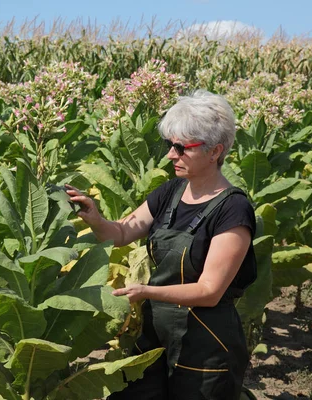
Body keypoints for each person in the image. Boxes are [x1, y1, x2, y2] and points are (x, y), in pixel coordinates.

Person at [66, 90, 257, 400]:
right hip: (156, 337)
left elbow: (209, 291)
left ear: (214, 151)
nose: (171, 155)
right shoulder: (170, 191)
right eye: (170, 145)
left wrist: (146, 292)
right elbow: (122, 234)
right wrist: (95, 218)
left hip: (205, 345)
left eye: (182, 148)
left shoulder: (233, 209)